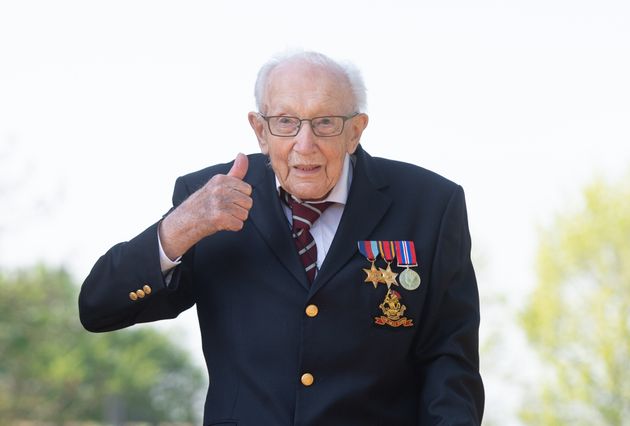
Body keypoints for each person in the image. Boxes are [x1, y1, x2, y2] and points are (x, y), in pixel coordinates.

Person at [79, 51, 484, 425]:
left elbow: (449, 360)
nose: (303, 145)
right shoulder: (208, 197)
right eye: (285, 122)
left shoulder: (430, 205)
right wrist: (181, 227)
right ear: (260, 129)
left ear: (355, 130)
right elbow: (99, 308)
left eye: (325, 123)